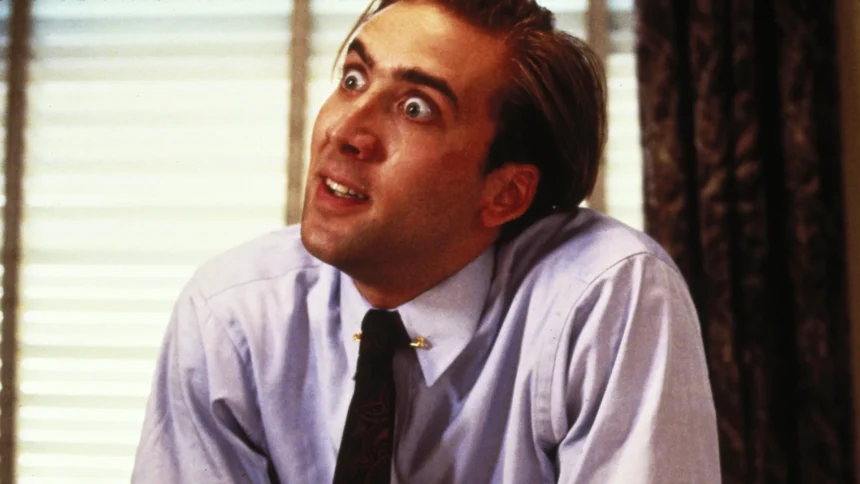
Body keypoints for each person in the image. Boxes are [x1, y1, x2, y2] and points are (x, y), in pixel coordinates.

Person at [132, 0, 721, 482]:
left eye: (415, 108)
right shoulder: (233, 313)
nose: (345, 131)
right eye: (353, 79)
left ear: (505, 194)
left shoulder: (603, 296)